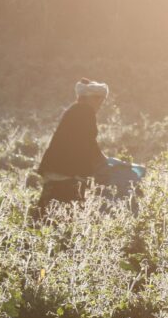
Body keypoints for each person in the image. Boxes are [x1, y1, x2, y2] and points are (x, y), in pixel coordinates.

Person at [34, 79, 144, 216]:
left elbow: (83, 141)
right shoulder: (85, 111)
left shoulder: (75, 109)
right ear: (92, 99)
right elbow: (88, 141)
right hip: (65, 171)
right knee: (65, 212)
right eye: (100, 101)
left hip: (57, 168)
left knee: (48, 208)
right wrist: (104, 161)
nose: (100, 106)